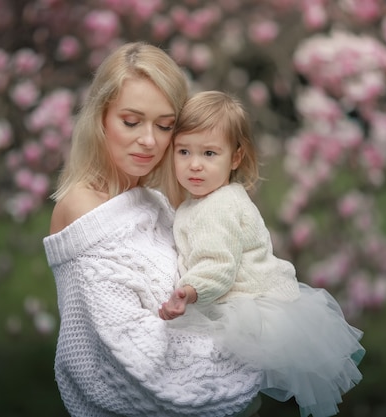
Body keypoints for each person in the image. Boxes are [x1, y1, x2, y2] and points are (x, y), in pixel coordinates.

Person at [43, 42, 264, 417]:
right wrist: (257, 352)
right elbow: (131, 355)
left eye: (164, 126)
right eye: (131, 122)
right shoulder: (84, 209)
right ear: (101, 119)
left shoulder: (155, 202)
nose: (149, 140)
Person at [159, 91, 365, 417]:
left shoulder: (220, 207)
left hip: (245, 304)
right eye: (184, 151)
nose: (194, 164)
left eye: (210, 153)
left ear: (236, 158)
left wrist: (189, 290)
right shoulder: (204, 201)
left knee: (225, 389)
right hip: (244, 298)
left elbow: (219, 264)